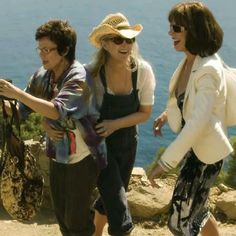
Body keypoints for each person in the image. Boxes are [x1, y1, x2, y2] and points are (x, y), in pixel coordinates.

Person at [0, 19, 105, 236]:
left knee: (77, 221)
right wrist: (6, 101)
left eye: (47, 50)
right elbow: (21, 111)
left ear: (65, 49)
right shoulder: (44, 75)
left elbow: (57, 111)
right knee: (63, 218)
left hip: (84, 158)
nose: (42, 55)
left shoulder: (79, 77)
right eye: (40, 50)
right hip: (58, 153)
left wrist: (18, 93)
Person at [148, 2, 233, 236]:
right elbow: (191, 102)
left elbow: (199, 122)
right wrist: (168, 114)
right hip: (194, 148)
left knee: (180, 220)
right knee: (198, 210)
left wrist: (165, 163)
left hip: (205, 155)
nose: (170, 33)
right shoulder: (190, 59)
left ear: (193, 30)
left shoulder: (209, 69)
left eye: (176, 28)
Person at [87, 13, 156, 236]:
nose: (125, 44)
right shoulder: (93, 74)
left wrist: (114, 124)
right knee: (118, 205)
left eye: (130, 39)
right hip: (100, 147)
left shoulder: (143, 71)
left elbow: (145, 113)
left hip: (128, 144)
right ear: (105, 44)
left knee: (113, 196)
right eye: (118, 40)